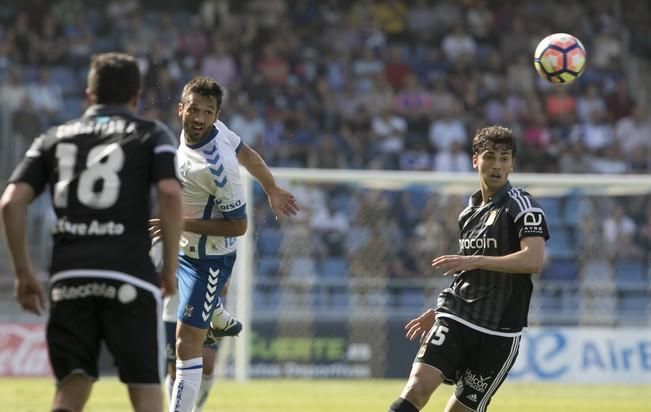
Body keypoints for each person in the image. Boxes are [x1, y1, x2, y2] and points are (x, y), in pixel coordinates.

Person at [0, 52, 183, 412]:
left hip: (70, 277)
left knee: (71, 389)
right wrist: (170, 269)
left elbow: (10, 203)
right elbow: (170, 192)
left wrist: (23, 274)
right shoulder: (151, 134)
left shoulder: (52, 138)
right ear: (136, 96)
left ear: (88, 96)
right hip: (129, 274)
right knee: (146, 391)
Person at [150, 76, 298, 412]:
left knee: (187, 344)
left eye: (207, 112)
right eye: (194, 109)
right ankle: (216, 311)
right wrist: (272, 188)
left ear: (216, 115)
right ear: (181, 109)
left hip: (208, 260)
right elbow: (249, 154)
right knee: (172, 351)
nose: (199, 118)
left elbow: (239, 225)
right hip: (181, 248)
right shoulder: (217, 132)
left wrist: (178, 223)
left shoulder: (218, 168)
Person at [389, 126, 550, 412]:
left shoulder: (523, 206)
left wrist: (476, 260)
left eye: (504, 158)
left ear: (512, 163)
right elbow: (467, 271)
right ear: (475, 160)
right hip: (457, 318)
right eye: (490, 157)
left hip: (499, 333)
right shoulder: (469, 212)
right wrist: (440, 310)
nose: (497, 166)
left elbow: (533, 260)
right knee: (416, 389)